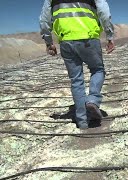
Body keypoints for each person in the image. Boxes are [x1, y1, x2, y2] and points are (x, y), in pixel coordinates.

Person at [39, 0, 115, 129]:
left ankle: (82, 121)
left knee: (76, 80)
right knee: (97, 70)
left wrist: (48, 41)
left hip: (66, 41)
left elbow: (44, 20)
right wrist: (110, 36)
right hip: (88, 37)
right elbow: (104, 12)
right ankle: (92, 100)